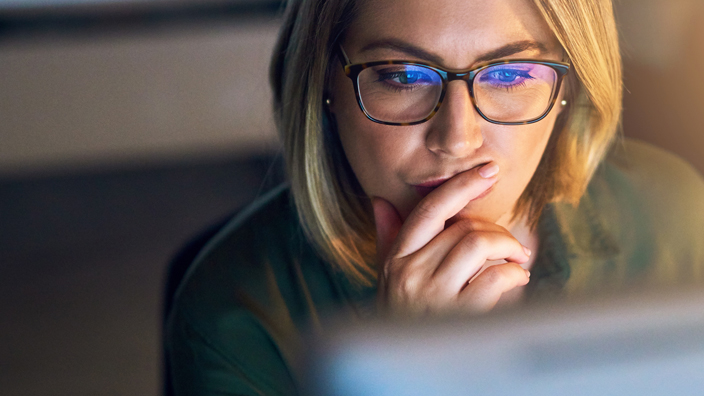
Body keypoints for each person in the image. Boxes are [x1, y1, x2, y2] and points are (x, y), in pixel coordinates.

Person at [165, 0, 704, 394]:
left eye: (511, 73)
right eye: (401, 76)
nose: (457, 138)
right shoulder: (234, 314)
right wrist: (411, 367)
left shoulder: (672, 214)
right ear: (325, 83)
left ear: (569, 87)